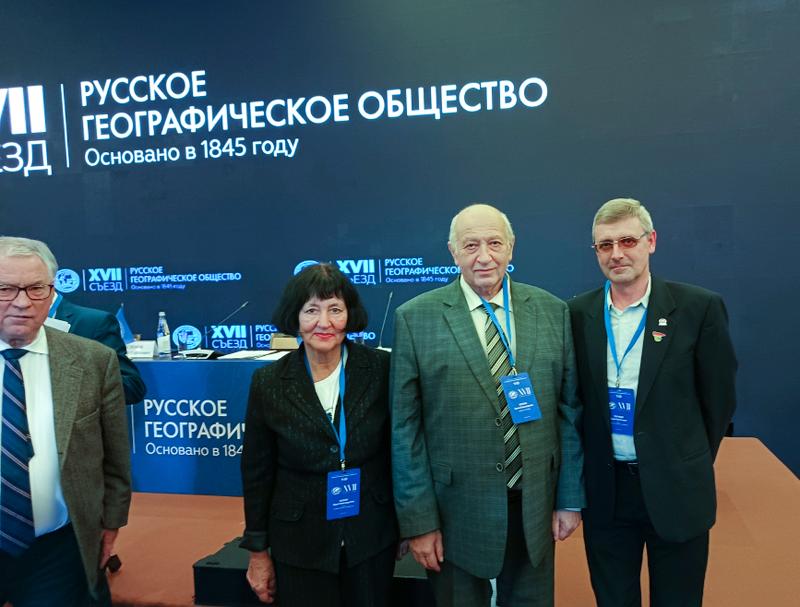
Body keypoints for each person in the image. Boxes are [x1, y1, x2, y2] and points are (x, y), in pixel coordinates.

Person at [390, 203, 585, 607]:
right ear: (453, 252)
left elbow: (568, 412)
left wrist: (568, 498)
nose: (484, 256)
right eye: (470, 245)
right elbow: (405, 430)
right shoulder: (416, 318)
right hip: (455, 514)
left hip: (534, 509)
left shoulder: (553, 311)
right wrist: (419, 522)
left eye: (495, 243)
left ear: (511, 248)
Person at [568, 198, 737, 607]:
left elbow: (718, 402)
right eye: (605, 245)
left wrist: (684, 458)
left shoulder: (698, 308)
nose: (616, 253)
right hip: (607, 493)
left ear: (652, 241)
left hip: (677, 487)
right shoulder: (575, 313)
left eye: (627, 241)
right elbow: (574, 402)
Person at [240, 263, 397, 606]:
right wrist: (257, 552)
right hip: (299, 541)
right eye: (311, 310)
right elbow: (256, 473)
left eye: (335, 310)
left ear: (350, 315)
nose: (324, 323)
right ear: (294, 317)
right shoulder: (268, 383)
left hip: (371, 536)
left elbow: (398, 452)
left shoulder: (381, 370)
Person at [0, 236, 131, 606]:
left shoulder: (94, 361)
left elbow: (115, 457)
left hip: (57, 551)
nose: (23, 302)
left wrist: (111, 522)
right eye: (5, 289)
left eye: (36, 288)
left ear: (52, 291)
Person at [50, 293, 146, 404]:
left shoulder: (95, 323)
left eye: (37, 288)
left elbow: (132, 388)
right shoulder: (30, 327)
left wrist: (73, 375)